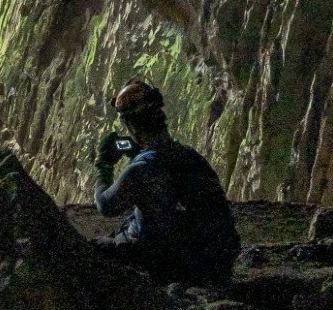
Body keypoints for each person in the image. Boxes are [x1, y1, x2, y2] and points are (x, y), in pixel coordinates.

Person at [91, 81, 242, 286]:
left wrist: (104, 165)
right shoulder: (191, 157)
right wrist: (139, 153)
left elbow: (105, 205)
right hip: (214, 265)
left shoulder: (142, 168)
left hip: (172, 266)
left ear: (131, 125)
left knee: (93, 250)